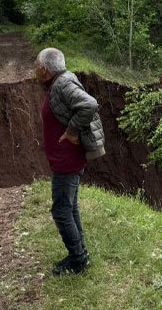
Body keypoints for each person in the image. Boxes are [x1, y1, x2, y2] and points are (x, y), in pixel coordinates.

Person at [34, 47, 105, 275]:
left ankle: (78, 261)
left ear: (44, 69)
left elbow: (89, 104)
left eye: (36, 65)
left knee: (61, 211)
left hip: (67, 161)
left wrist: (72, 132)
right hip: (65, 160)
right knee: (70, 207)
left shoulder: (63, 84)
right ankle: (79, 255)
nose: (35, 69)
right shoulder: (60, 82)